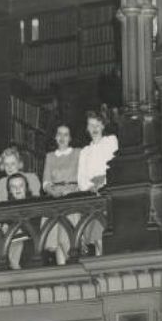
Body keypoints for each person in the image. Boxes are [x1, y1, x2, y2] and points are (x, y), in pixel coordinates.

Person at [77, 111, 118, 256]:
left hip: (107, 190)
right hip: (91, 194)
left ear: (103, 126)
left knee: (103, 234)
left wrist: (103, 182)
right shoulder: (84, 151)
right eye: (91, 125)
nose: (94, 128)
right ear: (87, 129)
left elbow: (115, 165)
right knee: (94, 238)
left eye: (97, 125)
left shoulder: (110, 141)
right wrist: (89, 186)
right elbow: (81, 177)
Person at [41, 124, 80, 265]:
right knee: (57, 241)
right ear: (55, 137)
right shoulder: (50, 156)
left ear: (70, 138)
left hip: (71, 198)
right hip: (55, 199)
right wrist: (53, 192)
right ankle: (63, 271)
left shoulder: (77, 153)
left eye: (66, 134)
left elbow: (82, 177)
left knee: (66, 239)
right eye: (59, 134)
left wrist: (71, 191)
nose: (62, 137)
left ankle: (74, 267)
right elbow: (46, 183)